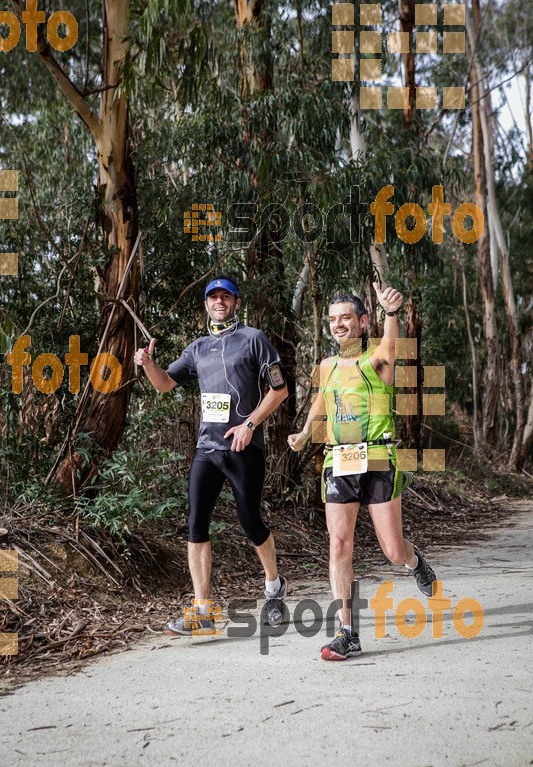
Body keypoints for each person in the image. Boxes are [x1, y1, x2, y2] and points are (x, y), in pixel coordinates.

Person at [288, 282, 436, 660]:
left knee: (392, 550)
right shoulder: (327, 365)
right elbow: (322, 399)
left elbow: (391, 346)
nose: (339, 325)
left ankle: (414, 560)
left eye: (346, 318)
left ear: (362, 321)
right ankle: (347, 631)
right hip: (339, 460)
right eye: (334, 320)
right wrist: (306, 432)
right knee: (339, 543)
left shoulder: (376, 361)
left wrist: (391, 314)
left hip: (379, 459)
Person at [134, 275, 289, 635]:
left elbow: (279, 390)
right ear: (206, 304)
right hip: (208, 447)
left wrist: (249, 424)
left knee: (250, 521)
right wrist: (147, 364)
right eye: (213, 296)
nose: (219, 301)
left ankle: (274, 588)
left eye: (226, 296)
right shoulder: (197, 348)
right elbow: (164, 384)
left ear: (235, 302)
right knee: (196, 522)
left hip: (244, 446)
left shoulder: (254, 339)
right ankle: (202, 609)